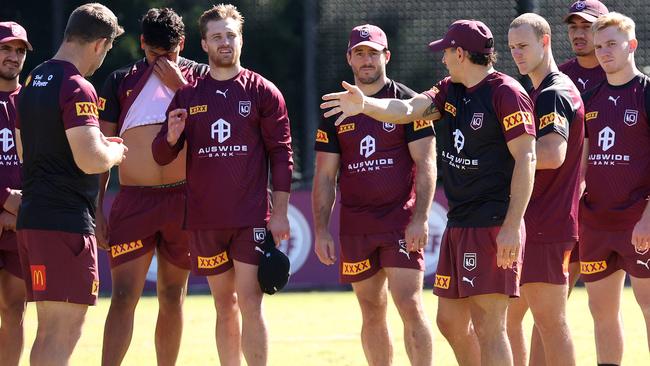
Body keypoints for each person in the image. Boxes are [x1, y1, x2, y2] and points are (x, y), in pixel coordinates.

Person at [321, 19, 536, 366]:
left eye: (447, 52)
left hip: (495, 221)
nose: (443, 59)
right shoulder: (450, 89)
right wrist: (365, 106)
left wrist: (513, 225)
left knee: (489, 324)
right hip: (460, 220)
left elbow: (527, 158)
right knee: (449, 321)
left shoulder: (506, 92)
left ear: (462, 54)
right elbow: (407, 110)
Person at [151, 4, 293, 366]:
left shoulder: (263, 91)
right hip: (205, 220)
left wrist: (279, 214)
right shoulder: (188, 95)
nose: (225, 42)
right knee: (223, 305)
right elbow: (162, 155)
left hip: (250, 218)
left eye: (231, 35)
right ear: (204, 44)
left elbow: (281, 155)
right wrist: (170, 137)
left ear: (241, 40)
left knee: (250, 301)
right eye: (217, 36)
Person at [312, 24, 435, 366]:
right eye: (360, 53)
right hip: (356, 225)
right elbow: (325, 176)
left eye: (373, 53)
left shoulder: (410, 103)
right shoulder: (334, 110)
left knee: (410, 304)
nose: (367, 60)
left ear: (387, 56)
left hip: (400, 222)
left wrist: (421, 218)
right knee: (371, 310)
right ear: (349, 58)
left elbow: (426, 163)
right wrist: (321, 229)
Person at [14, 4, 127, 365]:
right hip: (65, 224)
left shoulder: (33, 80)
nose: (103, 58)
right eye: (108, 49)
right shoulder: (77, 86)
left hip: (33, 219)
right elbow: (89, 158)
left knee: (48, 331)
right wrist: (113, 153)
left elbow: (22, 148)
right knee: (64, 330)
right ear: (99, 44)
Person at [97, 8, 209, 366]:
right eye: (154, 55)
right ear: (141, 43)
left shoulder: (202, 78)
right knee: (124, 296)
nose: (162, 63)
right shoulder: (119, 80)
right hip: (134, 201)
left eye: (171, 54)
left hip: (183, 200)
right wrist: (96, 208)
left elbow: (218, 129)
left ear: (183, 44)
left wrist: (183, 87)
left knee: (173, 295)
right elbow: (100, 147)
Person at [506, 13, 583, 366]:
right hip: (537, 222)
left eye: (523, 46)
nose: (517, 54)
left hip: (546, 224)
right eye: (511, 48)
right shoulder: (539, 91)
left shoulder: (553, 91)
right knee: (516, 320)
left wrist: (504, 163)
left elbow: (553, 153)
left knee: (551, 323)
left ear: (546, 41)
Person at [580, 12, 650, 366]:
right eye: (599, 45)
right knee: (601, 312)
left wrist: (648, 218)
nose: (604, 52)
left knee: (649, 306)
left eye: (612, 44)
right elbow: (583, 159)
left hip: (639, 220)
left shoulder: (647, 92)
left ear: (631, 46)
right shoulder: (589, 97)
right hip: (596, 224)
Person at [0, 20, 30, 366]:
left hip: (23, 218)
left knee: (14, 308)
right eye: (6, 48)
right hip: (9, 208)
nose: (13, 56)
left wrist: (20, 206)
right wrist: (5, 199)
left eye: (20, 50)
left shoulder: (33, 101)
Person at [559, 0, 609, 93]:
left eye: (586, 26)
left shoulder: (618, 74)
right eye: (573, 27)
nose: (578, 35)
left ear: (604, 29)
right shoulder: (559, 76)